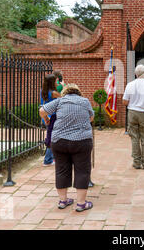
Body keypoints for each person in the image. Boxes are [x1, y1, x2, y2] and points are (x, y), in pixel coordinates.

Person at [39, 84, 95, 212]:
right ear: (78, 93)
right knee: (82, 170)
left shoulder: (59, 101)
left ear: (65, 93)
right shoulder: (85, 102)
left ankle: (63, 201)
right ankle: (81, 203)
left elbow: (42, 111)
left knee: (61, 169)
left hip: (60, 141)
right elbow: (91, 117)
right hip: (81, 141)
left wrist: (47, 120)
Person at [41, 74, 61, 166]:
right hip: (53, 117)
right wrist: (63, 86)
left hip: (45, 116)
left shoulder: (43, 91)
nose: (58, 83)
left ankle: (52, 158)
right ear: (52, 82)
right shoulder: (54, 93)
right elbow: (64, 99)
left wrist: (45, 118)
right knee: (52, 137)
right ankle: (47, 159)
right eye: (56, 81)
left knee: (51, 136)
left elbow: (43, 105)